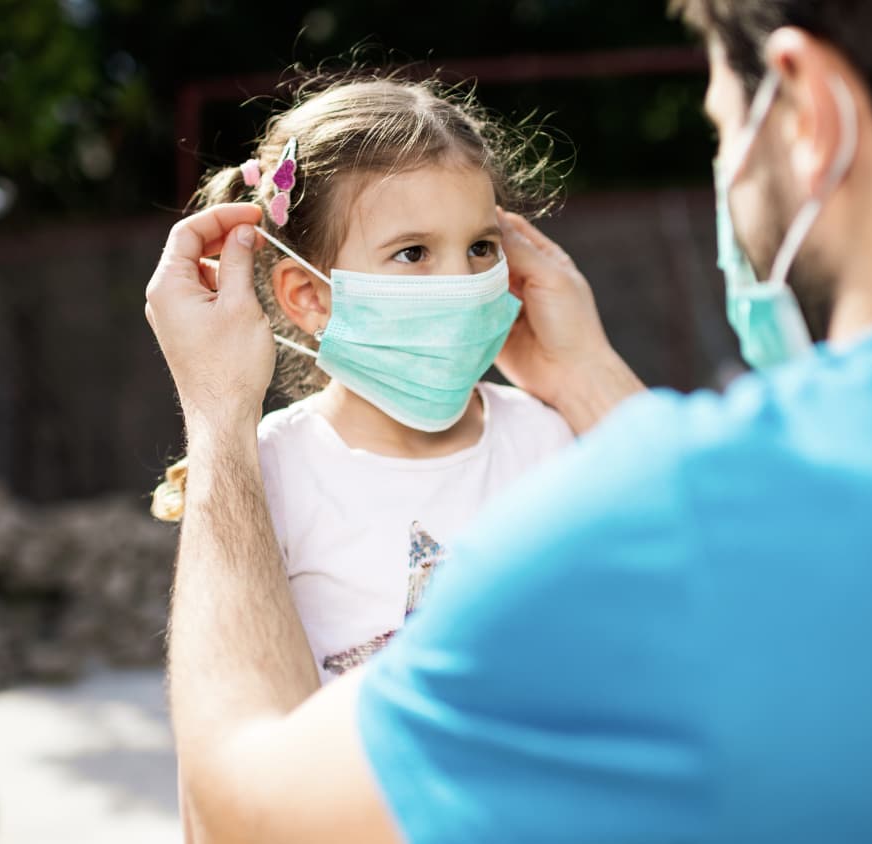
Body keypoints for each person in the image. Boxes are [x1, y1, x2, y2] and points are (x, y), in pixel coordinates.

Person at [143, 1, 872, 841]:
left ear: (809, 115)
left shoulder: (665, 523)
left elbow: (249, 812)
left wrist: (216, 415)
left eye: (719, 120)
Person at [151, 78, 574, 684]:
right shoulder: (264, 476)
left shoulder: (546, 437)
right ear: (309, 297)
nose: (461, 280)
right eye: (413, 252)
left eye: (481, 247)